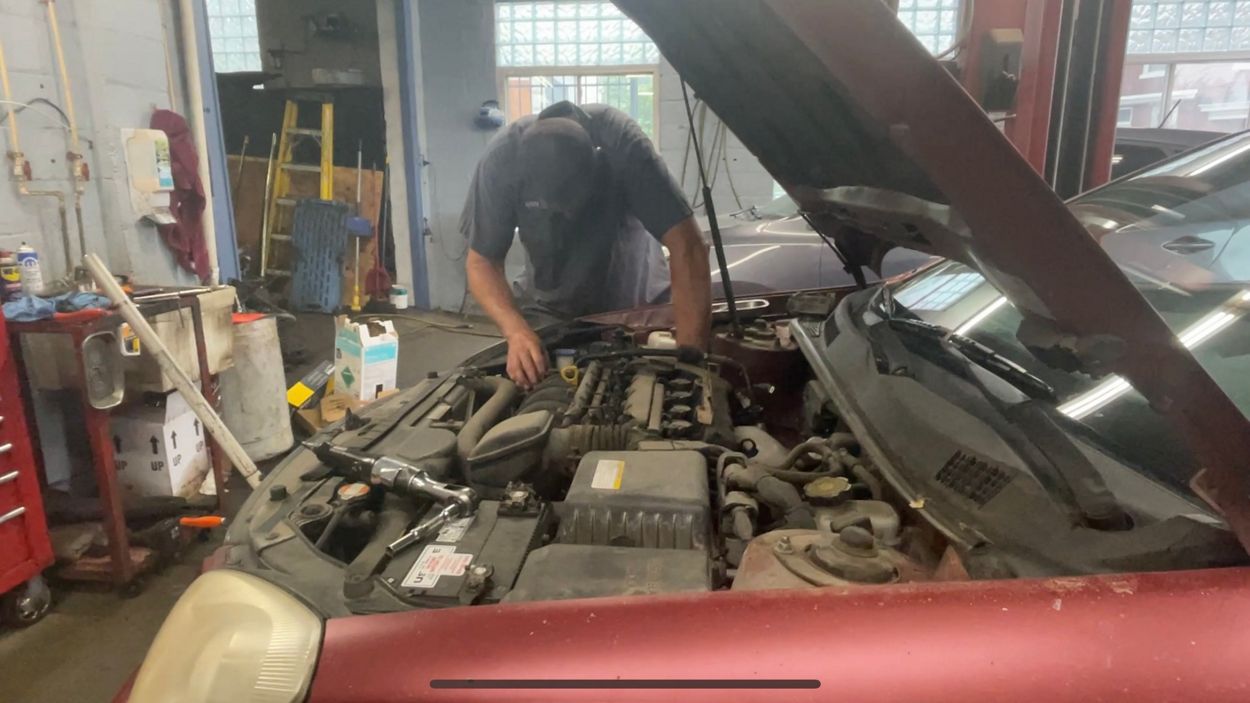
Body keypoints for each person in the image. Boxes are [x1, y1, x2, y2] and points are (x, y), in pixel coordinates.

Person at [461, 101, 711, 389]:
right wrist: (516, 331)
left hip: (634, 310)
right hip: (550, 314)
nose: (566, 215)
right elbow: (482, 263)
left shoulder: (624, 147)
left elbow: (688, 246)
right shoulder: (500, 162)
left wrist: (689, 364)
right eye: (554, 207)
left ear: (597, 162)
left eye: (573, 203)